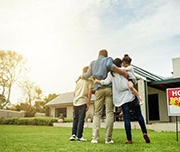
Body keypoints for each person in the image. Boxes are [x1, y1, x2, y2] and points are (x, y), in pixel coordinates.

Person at [95, 58, 150, 144]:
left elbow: (105, 82)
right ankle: (144, 132)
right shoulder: (124, 70)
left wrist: (98, 81)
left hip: (122, 99)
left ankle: (129, 139)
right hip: (130, 95)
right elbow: (134, 77)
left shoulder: (111, 73)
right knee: (139, 114)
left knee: (127, 118)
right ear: (121, 64)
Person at [81, 49, 127, 144]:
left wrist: (82, 76)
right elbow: (111, 66)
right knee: (109, 113)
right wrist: (123, 72)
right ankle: (108, 139)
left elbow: (85, 75)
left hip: (98, 90)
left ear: (98, 55)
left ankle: (95, 138)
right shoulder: (108, 59)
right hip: (108, 89)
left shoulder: (93, 63)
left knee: (97, 114)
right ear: (106, 55)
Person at [69, 66, 93, 142]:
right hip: (83, 102)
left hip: (76, 101)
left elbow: (74, 92)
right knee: (81, 120)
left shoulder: (79, 81)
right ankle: (79, 136)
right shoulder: (89, 81)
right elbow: (89, 93)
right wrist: (88, 103)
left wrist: (75, 99)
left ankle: (73, 135)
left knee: (75, 119)